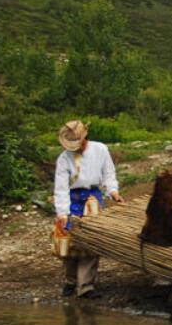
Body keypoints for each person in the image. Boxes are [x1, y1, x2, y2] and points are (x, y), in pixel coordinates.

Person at [53, 120, 123, 298]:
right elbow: (60, 188)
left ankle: (86, 286)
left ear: (85, 138)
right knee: (69, 242)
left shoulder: (100, 150)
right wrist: (62, 213)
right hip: (72, 198)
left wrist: (113, 192)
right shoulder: (63, 159)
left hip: (92, 198)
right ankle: (70, 281)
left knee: (91, 243)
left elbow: (109, 174)